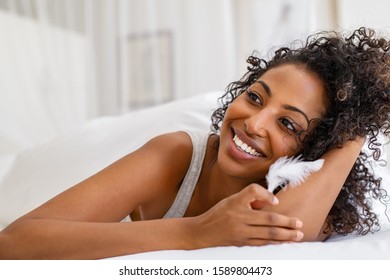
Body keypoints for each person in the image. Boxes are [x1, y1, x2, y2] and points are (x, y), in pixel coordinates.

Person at [0, 27, 389, 260]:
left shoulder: (320, 203)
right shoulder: (176, 156)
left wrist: (359, 121)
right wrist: (196, 232)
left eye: (287, 123)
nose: (252, 122)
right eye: (255, 97)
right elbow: (13, 242)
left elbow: (286, 236)